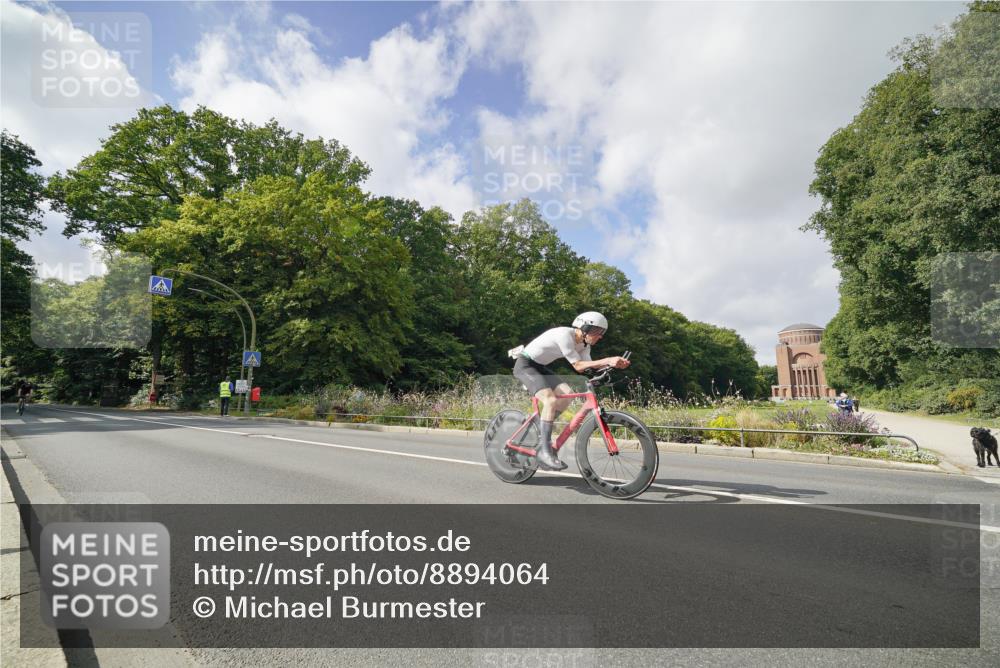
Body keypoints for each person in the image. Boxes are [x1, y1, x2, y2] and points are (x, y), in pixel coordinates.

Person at [511, 312, 630, 470]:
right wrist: (608, 359)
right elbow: (578, 366)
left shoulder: (584, 344)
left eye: (602, 333)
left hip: (539, 367)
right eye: (597, 332)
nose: (600, 336)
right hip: (525, 365)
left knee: (567, 394)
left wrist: (613, 365)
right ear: (584, 328)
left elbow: (588, 365)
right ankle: (545, 451)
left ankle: (543, 422)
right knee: (551, 400)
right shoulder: (564, 335)